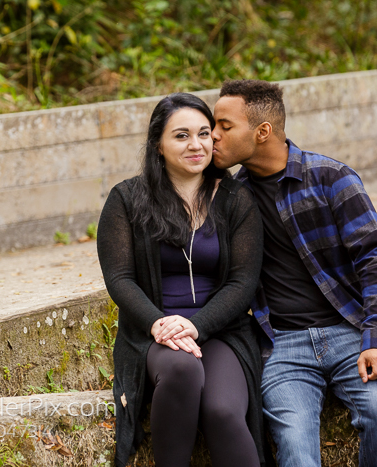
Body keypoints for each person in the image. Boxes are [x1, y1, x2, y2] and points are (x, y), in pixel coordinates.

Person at [210, 79, 377, 467]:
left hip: (349, 332)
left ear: (262, 131)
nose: (213, 136)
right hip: (282, 344)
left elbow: (375, 258)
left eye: (224, 126)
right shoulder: (231, 199)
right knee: (296, 447)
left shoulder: (332, 179)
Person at [97, 92, 267, 467]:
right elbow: (120, 278)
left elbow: (242, 282)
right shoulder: (126, 200)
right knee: (182, 368)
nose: (196, 145)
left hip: (221, 330)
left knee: (223, 411)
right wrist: (158, 323)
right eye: (181, 135)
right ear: (158, 145)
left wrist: (195, 325)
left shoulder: (236, 200)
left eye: (204, 134)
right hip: (152, 334)